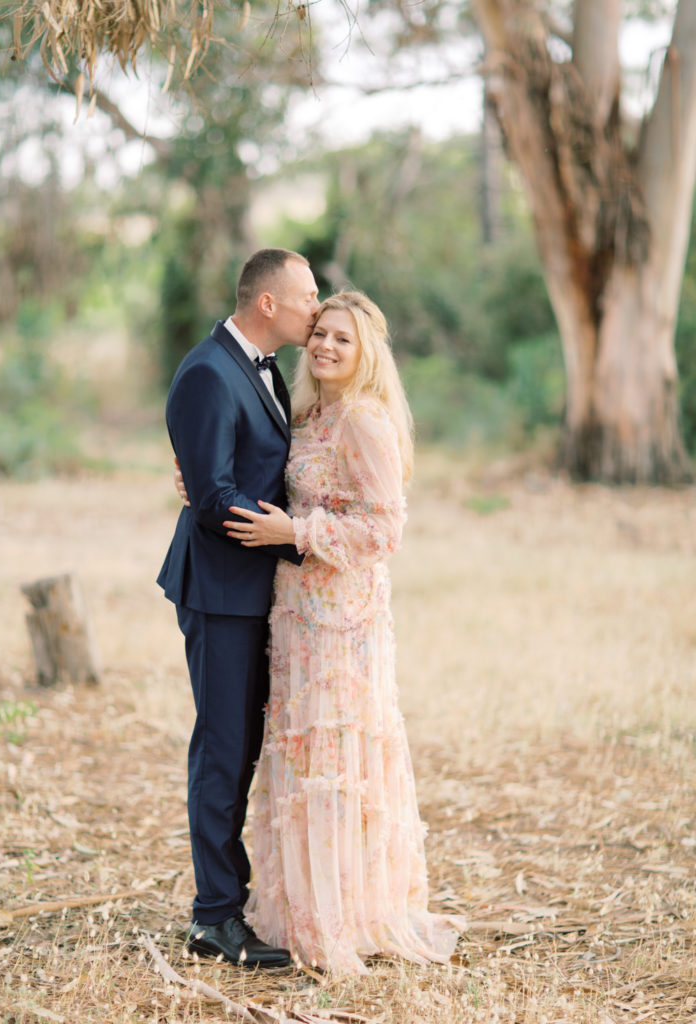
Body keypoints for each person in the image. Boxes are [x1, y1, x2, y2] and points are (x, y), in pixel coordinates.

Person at [223, 291, 465, 974]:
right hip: (296, 613)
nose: (326, 347)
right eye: (321, 335)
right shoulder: (311, 414)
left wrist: (295, 532)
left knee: (338, 757)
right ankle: (302, 908)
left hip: (345, 622)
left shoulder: (364, 421)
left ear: (367, 356)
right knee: (301, 754)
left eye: (343, 341)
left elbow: (386, 530)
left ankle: (349, 913)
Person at [157, 248, 320, 968]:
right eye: (307, 296)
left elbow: (245, 471)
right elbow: (214, 502)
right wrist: (302, 544)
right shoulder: (206, 373)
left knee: (243, 747)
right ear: (268, 305)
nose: (316, 309)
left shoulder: (261, 366)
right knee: (223, 752)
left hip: (251, 592)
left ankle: (232, 896)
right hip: (220, 592)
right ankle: (214, 917)